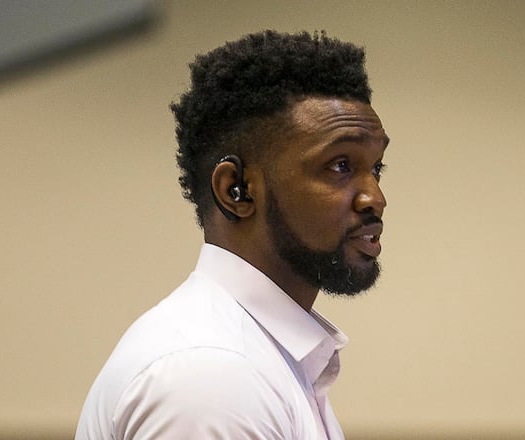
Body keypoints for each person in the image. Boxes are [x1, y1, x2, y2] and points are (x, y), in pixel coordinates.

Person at [76, 30, 389, 439]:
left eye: (377, 168)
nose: (375, 198)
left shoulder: (255, 357)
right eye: (340, 166)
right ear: (235, 190)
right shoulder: (212, 375)